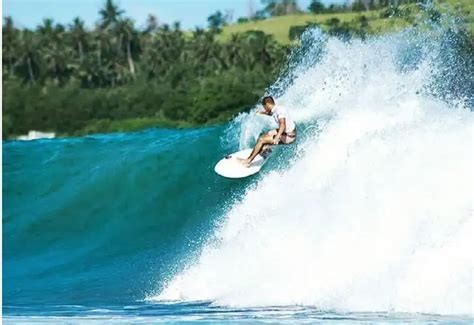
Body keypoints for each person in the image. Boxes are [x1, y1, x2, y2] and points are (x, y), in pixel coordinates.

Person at [238, 96, 297, 167]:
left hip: (289, 136)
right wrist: (263, 112)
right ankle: (265, 149)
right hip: (288, 131)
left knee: (261, 140)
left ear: (268, 104)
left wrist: (277, 136)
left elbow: (282, 124)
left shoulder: (279, 111)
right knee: (265, 135)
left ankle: (248, 161)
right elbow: (272, 114)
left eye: (264, 107)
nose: (264, 108)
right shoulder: (277, 108)